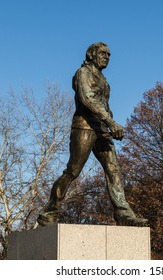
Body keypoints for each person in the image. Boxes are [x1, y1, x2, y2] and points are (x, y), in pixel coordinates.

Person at [37, 42, 148, 227]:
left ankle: (123, 213)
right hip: (84, 127)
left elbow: (105, 106)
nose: (107, 57)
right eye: (103, 53)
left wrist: (111, 126)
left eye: (109, 55)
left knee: (113, 169)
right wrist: (111, 122)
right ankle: (49, 211)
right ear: (91, 54)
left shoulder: (104, 81)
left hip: (102, 128)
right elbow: (86, 99)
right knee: (73, 171)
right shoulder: (83, 73)